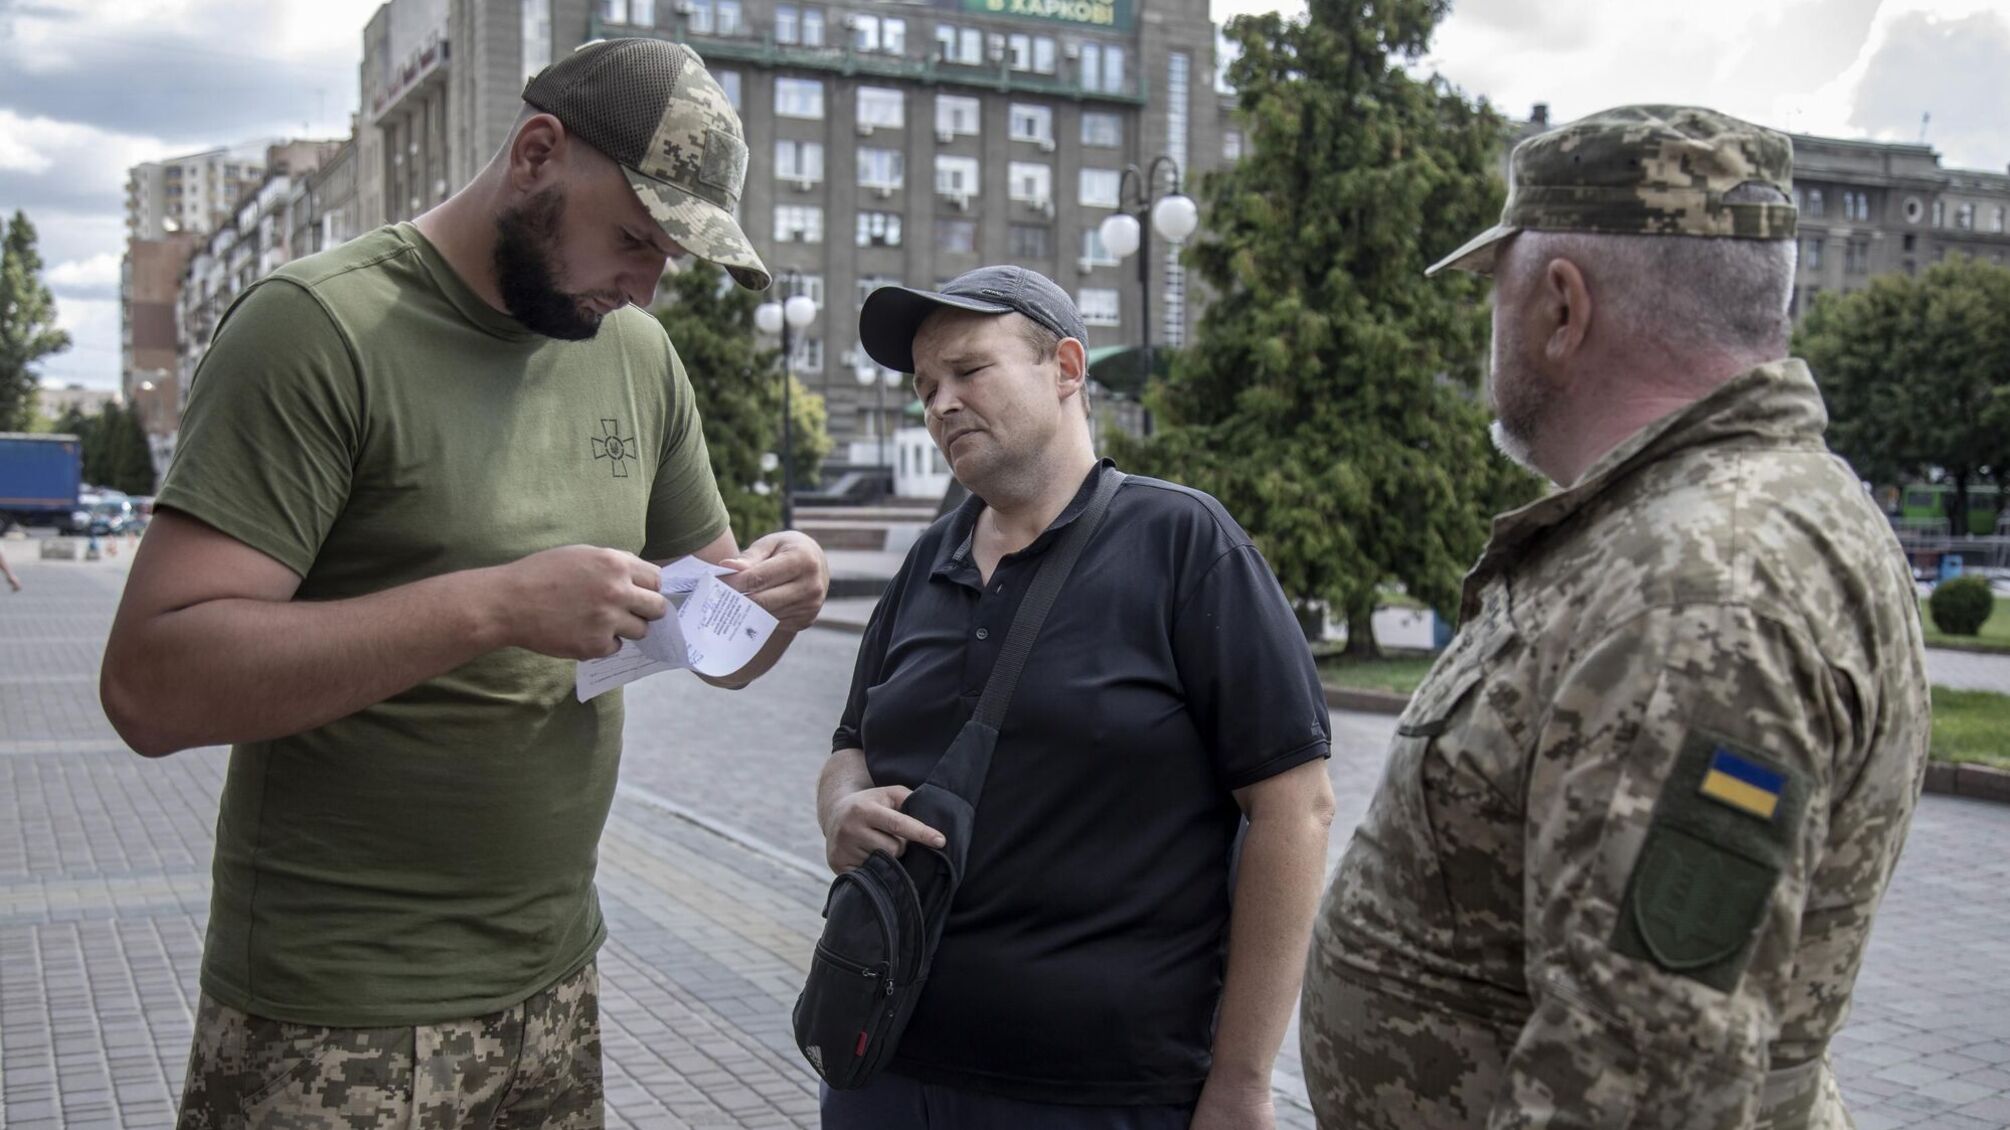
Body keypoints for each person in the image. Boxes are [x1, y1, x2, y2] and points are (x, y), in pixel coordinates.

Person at [99, 39, 828, 1128]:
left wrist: (784, 598)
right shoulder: (318, 329)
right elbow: (153, 686)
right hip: (337, 1010)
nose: (646, 282)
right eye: (634, 237)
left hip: (555, 985)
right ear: (536, 153)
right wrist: (494, 605)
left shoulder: (633, 351)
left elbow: (710, 631)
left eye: (670, 254)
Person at [1300, 105, 1932, 1129]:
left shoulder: (1703, 589)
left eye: (1493, 293)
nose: (1489, 329)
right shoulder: (1698, 525)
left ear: (1560, 305)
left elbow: (1644, 1082)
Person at [819, 266, 1338, 1130]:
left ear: (1065, 367)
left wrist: (1243, 1082)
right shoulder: (927, 561)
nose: (941, 403)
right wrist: (840, 803)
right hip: (883, 1064)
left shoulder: (1183, 544)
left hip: (1105, 1092)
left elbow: (1297, 809)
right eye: (924, 386)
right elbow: (848, 745)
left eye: (969, 370)